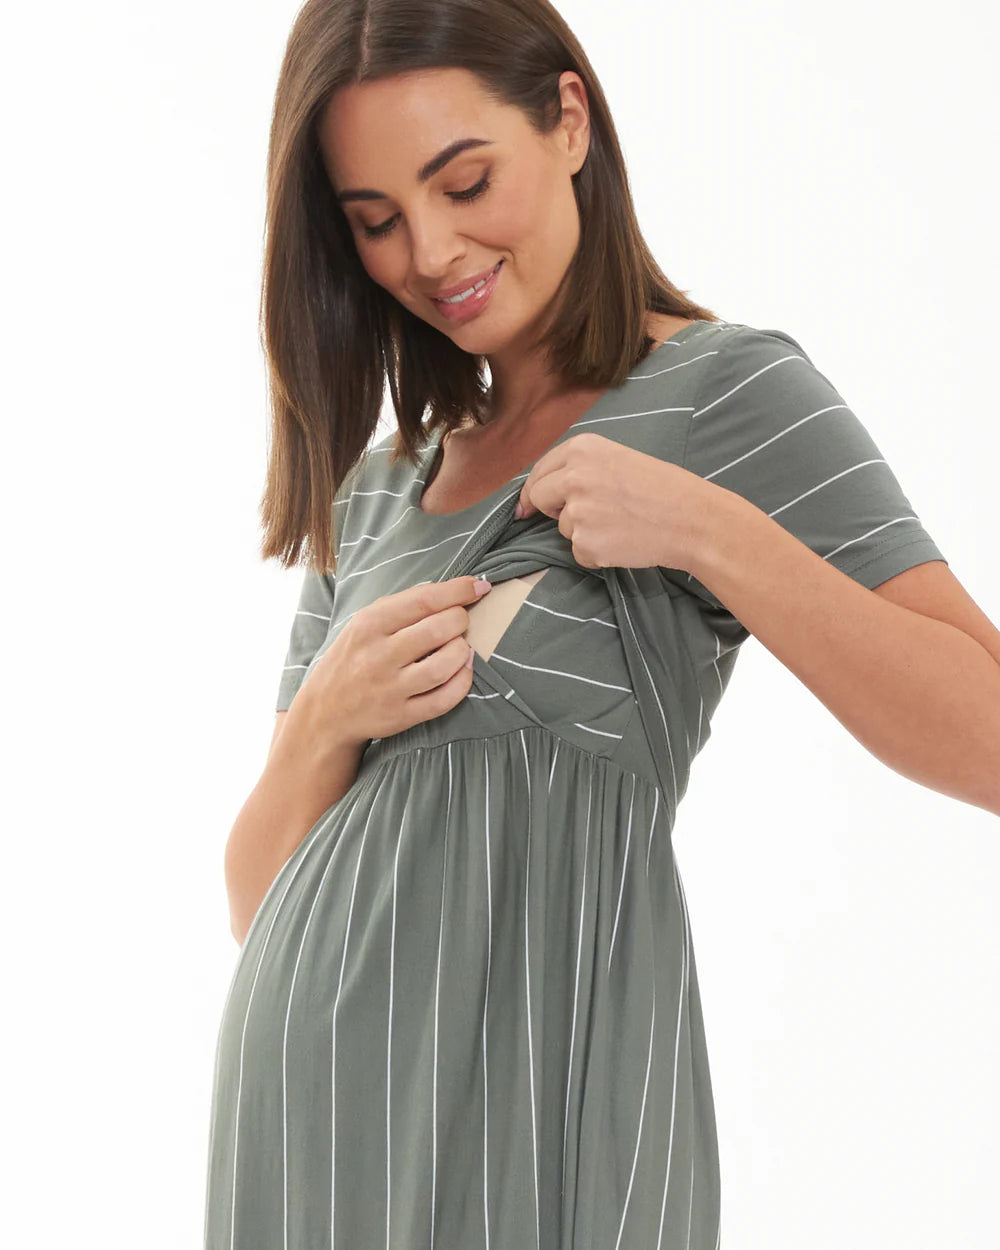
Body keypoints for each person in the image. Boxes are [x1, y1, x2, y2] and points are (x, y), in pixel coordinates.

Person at [203, 1, 1000, 1247]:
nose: (431, 250)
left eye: (464, 180)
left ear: (568, 119)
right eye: (374, 222)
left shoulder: (726, 392)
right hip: (312, 1114)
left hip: (550, 1087)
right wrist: (324, 719)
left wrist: (707, 532)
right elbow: (262, 898)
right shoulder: (372, 492)